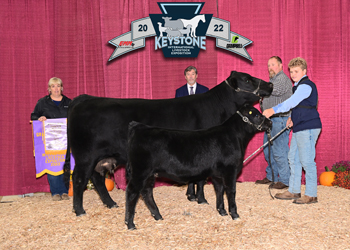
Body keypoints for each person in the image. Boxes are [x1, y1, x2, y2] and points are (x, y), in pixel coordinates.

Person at [263, 57, 322, 204]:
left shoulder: (306, 85)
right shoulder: (297, 86)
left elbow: (291, 102)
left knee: (307, 161)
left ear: (304, 71)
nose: (293, 74)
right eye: (291, 71)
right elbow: (300, 106)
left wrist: (272, 110)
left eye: (296, 71)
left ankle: (311, 194)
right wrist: (291, 118)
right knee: (293, 158)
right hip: (299, 125)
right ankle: (294, 190)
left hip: (308, 126)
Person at [31, 77, 71, 201]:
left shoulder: (69, 102)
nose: (56, 89)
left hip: (65, 140)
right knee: (52, 163)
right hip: (49, 140)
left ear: (62, 88)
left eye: (58, 86)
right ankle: (55, 192)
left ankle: (64, 191)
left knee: (64, 163)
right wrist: (40, 118)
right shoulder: (42, 102)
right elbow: (33, 115)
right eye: (53, 86)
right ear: (49, 89)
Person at [255, 56, 293, 189]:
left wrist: (257, 88)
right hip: (271, 120)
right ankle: (271, 176)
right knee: (268, 149)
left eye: (273, 64)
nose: (270, 67)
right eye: (268, 65)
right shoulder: (273, 80)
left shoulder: (282, 79)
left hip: (280, 119)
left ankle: (285, 180)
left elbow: (272, 90)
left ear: (281, 65)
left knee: (279, 150)